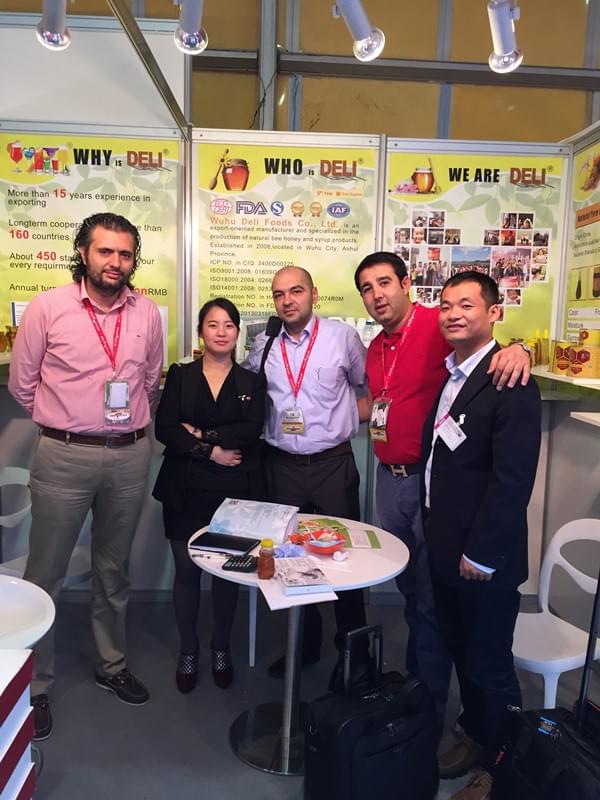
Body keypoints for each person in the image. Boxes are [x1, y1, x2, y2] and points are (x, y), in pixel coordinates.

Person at [353, 251, 531, 728]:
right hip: (389, 481)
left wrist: (520, 349)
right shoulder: (375, 347)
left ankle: (426, 711)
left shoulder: (437, 324)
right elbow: (379, 403)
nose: (377, 295)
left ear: (406, 283)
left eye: (384, 283)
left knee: (434, 601)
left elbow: (488, 340)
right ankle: (424, 691)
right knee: (415, 595)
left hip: (429, 483)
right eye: (367, 288)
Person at [8, 212, 164, 740]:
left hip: (129, 455)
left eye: (125, 253)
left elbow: (150, 381)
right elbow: (23, 384)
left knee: (113, 569)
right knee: (45, 574)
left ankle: (111, 664)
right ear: (83, 253)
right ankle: (35, 685)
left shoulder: (147, 313)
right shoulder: (48, 308)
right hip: (64, 454)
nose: (115, 262)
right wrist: (66, 421)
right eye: (105, 251)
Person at [422, 272, 541, 800]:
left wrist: (484, 553)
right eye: (446, 305)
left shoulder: (511, 379)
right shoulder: (454, 374)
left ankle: (499, 771)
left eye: (466, 305)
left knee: (491, 666)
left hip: (482, 558)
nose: (453, 314)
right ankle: (474, 736)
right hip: (447, 546)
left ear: (494, 313)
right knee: (463, 652)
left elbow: (512, 480)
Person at [243, 266, 368, 682]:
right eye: (279, 294)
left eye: (296, 291)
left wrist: (343, 419)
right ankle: (305, 645)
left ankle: (354, 651)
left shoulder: (342, 338)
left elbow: (367, 386)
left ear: (314, 294)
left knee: (346, 557)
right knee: (291, 559)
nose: (288, 301)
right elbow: (244, 389)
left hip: (333, 464)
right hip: (283, 468)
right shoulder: (264, 345)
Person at [153, 298, 266, 692]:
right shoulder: (181, 375)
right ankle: (188, 649)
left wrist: (202, 433)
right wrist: (212, 451)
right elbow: (166, 428)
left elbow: (251, 430)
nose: (221, 332)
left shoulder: (251, 381)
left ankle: (221, 647)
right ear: (201, 331)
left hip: (234, 493)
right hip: (184, 488)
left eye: (229, 325)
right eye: (213, 324)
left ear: (237, 332)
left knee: (226, 575)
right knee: (186, 572)